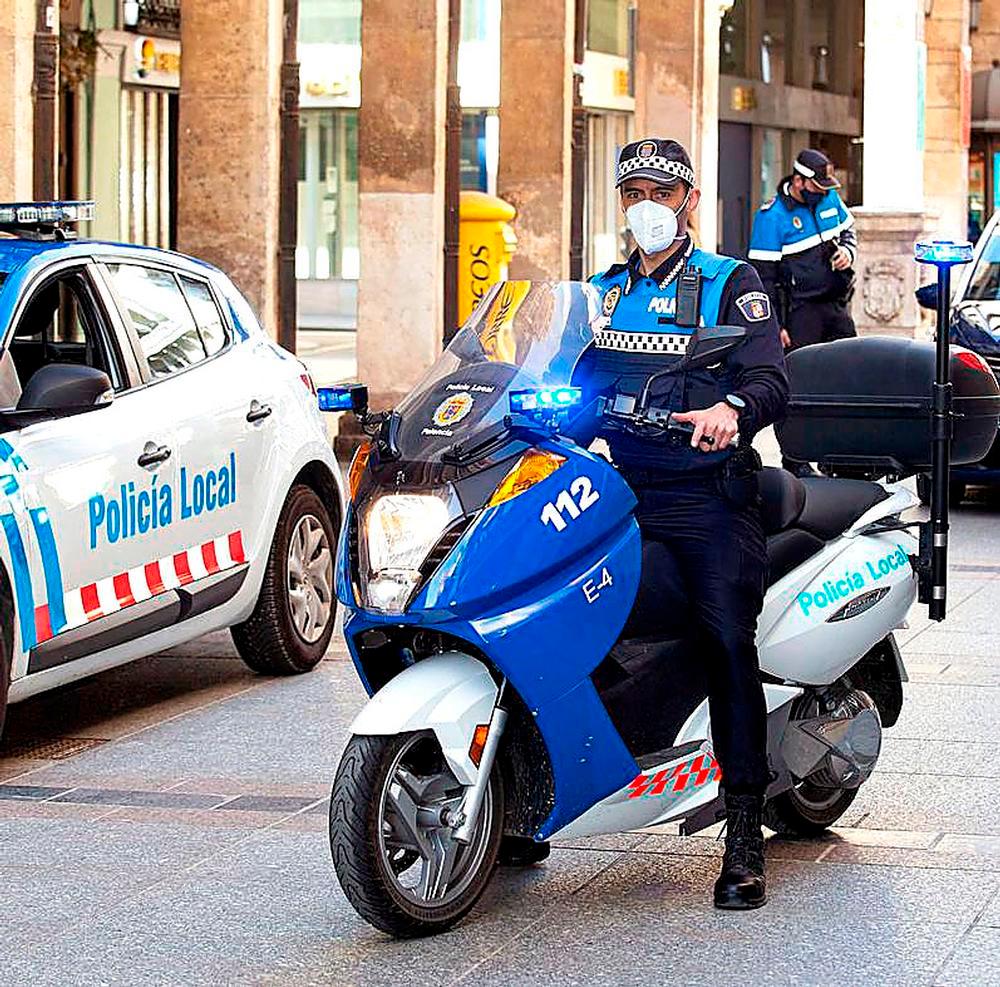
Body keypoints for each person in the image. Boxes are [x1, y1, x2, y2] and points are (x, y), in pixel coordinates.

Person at [589, 138, 789, 910]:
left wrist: (729, 409)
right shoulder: (604, 292)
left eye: (660, 191)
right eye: (632, 188)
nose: (645, 203)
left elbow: (772, 380)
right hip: (619, 489)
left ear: (689, 202)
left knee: (723, 636)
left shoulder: (728, 283)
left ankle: (744, 827)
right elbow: (559, 371)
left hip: (708, 496)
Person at [748, 148, 856, 474]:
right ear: (798, 181)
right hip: (798, 313)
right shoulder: (772, 217)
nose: (823, 192)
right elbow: (762, 279)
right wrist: (775, 325)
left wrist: (848, 252)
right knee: (798, 388)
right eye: (817, 187)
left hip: (835, 307)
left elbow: (848, 230)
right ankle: (795, 459)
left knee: (848, 378)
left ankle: (838, 455)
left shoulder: (828, 199)